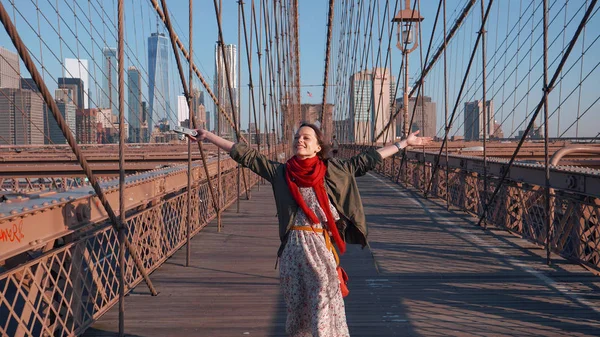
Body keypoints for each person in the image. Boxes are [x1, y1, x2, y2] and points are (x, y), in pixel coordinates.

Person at [190, 123, 432, 336]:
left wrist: (404, 143)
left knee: (324, 298)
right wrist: (209, 136)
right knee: (298, 311)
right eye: (297, 137)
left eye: (306, 137)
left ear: (318, 147)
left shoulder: (335, 171)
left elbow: (367, 159)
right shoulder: (281, 173)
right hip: (292, 251)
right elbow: (246, 155)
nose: (300, 140)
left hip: (320, 247)